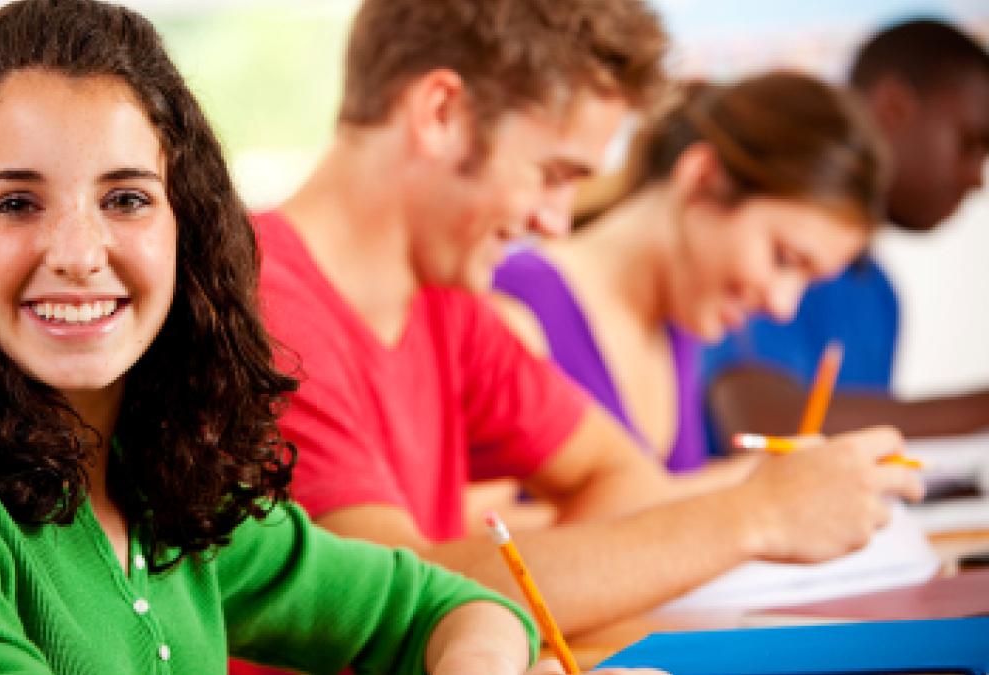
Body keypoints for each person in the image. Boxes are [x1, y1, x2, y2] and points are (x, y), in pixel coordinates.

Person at [0, 2, 604, 673]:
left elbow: (456, 605)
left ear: (189, 230)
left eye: (127, 199)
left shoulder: (173, 494)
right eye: (14, 203)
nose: (77, 253)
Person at [256, 0, 924, 640]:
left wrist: (542, 592)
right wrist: (756, 515)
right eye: (552, 174)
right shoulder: (262, 312)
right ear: (441, 112)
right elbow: (393, 600)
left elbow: (621, 474)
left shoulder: (447, 305)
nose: (554, 220)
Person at [491, 71, 886, 494]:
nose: (783, 305)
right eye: (783, 259)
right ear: (700, 177)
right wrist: (756, 498)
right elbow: (474, 536)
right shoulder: (512, 308)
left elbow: (651, 503)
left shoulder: (680, 321)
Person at [703, 19, 989, 443]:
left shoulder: (878, 294)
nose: (976, 178)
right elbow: (763, 425)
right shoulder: (762, 259)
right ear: (893, 108)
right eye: (969, 143)